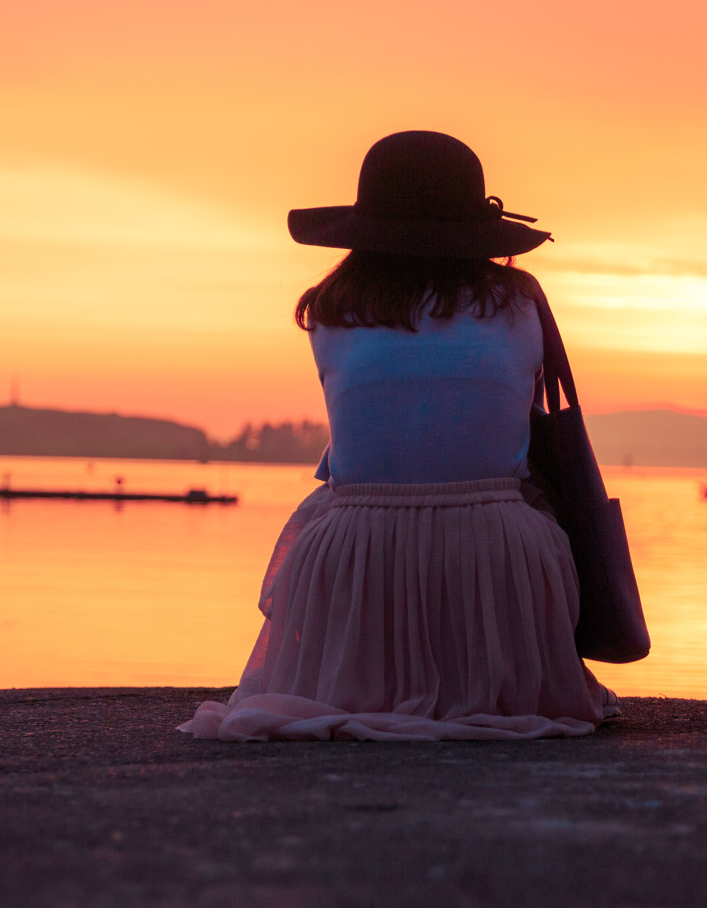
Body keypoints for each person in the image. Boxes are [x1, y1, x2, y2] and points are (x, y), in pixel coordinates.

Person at [182, 131, 618, 741]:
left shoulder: (330, 309)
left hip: (357, 553)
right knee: (526, 507)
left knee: (328, 503)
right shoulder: (520, 304)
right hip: (495, 554)